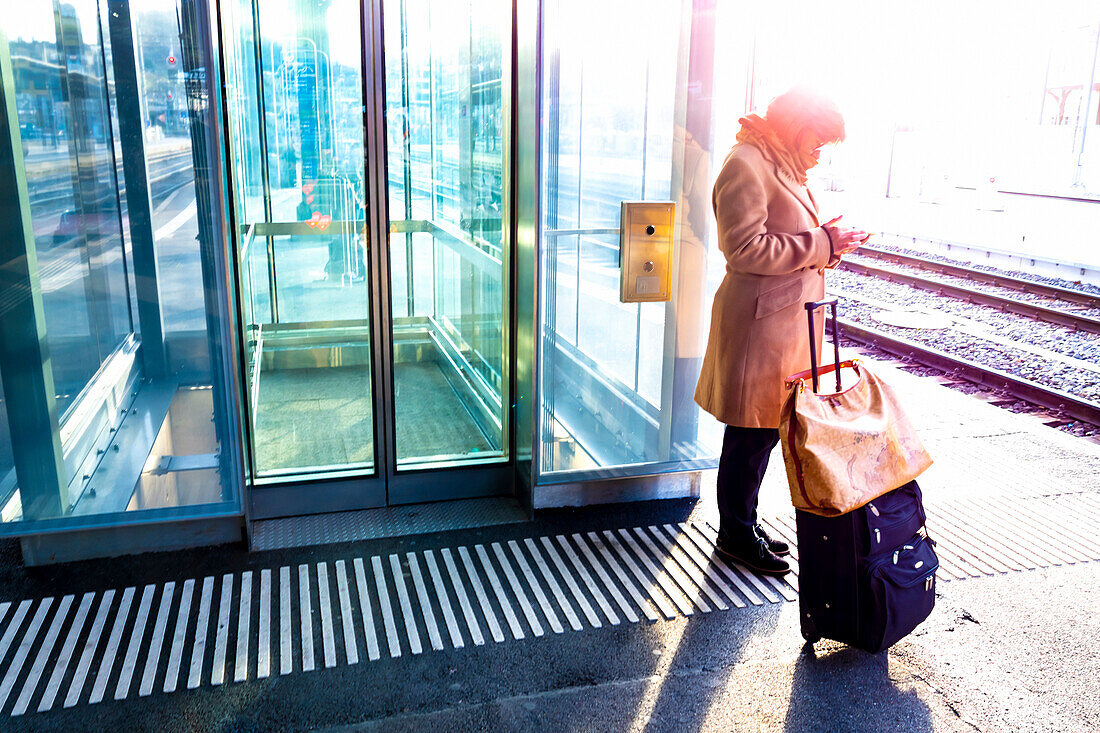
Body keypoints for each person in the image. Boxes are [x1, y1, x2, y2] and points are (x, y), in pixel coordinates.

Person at [694, 87, 869, 575]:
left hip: (782, 329)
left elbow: (792, 238)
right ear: (796, 128)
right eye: (817, 143)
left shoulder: (783, 163)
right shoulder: (746, 163)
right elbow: (744, 249)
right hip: (759, 329)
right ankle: (733, 535)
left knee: (765, 433)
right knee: (748, 437)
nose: (818, 155)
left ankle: (741, 522)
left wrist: (830, 244)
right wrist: (820, 241)